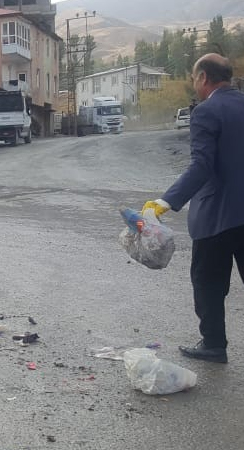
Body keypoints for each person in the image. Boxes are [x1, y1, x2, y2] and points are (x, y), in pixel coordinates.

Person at [142, 53, 244, 364]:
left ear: (203, 78)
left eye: (192, 78)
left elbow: (201, 166)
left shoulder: (206, 111)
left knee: (208, 282)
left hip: (218, 217)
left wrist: (165, 202)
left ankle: (213, 344)